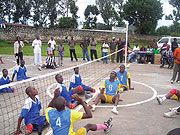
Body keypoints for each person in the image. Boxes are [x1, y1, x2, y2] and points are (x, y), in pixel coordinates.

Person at [46, 89, 112, 135]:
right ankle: (106, 126)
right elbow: (89, 115)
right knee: (89, 126)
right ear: (64, 105)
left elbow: (49, 107)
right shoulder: (70, 114)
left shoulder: (50, 113)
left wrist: (55, 97)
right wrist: (81, 101)